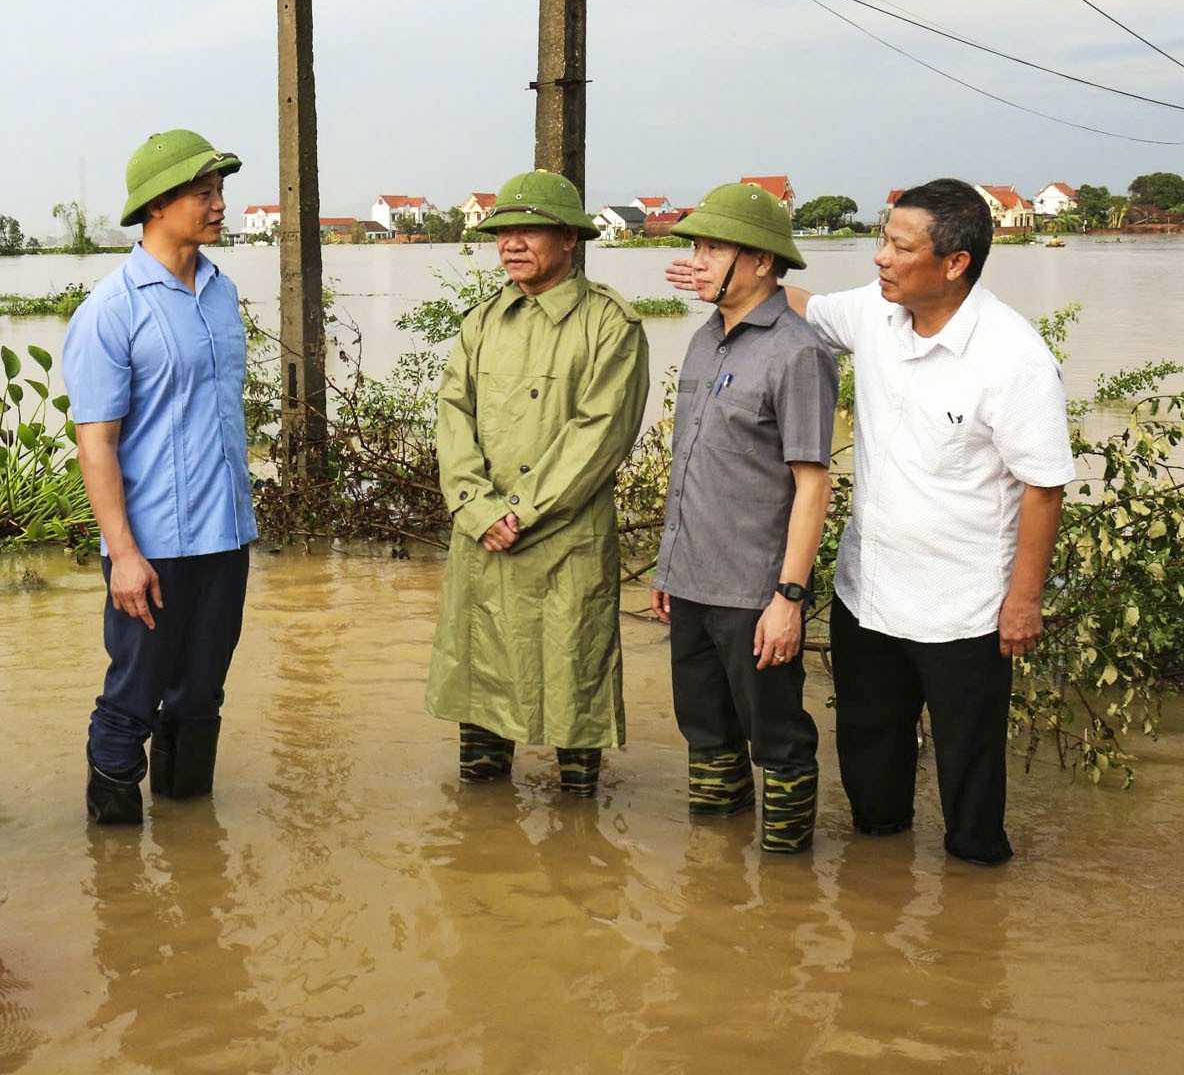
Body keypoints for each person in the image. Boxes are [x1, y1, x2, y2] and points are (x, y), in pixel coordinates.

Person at [666, 177, 1074, 864]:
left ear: (954, 263)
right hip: (870, 597)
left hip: (965, 608)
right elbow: (795, 303)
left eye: (898, 246)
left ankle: (974, 931)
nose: (880, 258)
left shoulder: (1014, 358)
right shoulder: (875, 314)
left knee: (971, 802)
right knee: (871, 790)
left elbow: (1044, 487)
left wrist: (1024, 602)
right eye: (882, 240)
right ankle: (878, 905)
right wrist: (723, 267)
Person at [425, 170, 651, 797]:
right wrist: (475, 507)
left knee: (574, 683)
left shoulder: (611, 323)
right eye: (504, 232)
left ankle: (578, 857)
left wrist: (518, 512)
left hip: (564, 541)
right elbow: (453, 416)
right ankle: (482, 838)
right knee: (481, 688)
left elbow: (600, 434)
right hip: (482, 537)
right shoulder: (482, 322)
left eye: (529, 230)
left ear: (570, 239)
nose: (512, 244)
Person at [61, 130, 256, 825]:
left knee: (202, 695)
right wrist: (124, 554)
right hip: (153, 544)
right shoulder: (112, 310)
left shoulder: (219, 290)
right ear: (156, 206)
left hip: (226, 534)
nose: (219, 205)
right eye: (203, 194)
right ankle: (115, 864)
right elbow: (97, 444)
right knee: (133, 695)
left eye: (220, 192)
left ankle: (188, 847)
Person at [650, 184, 837, 853]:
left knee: (779, 742)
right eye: (694, 247)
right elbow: (693, 461)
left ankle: (786, 903)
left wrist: (788, 597)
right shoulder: (706, 339)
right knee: (704, 734)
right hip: (692, 582)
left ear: (761, 261)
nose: (697, 261)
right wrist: (669, 567)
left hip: (755, 591)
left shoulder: (796, 352)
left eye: (713, 247)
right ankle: (717, 881)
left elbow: (813, 485)